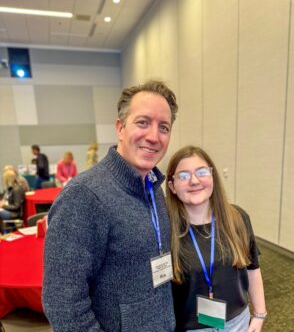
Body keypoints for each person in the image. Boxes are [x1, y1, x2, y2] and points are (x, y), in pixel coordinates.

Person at [42, 80, 179, 332]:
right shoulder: (84, 196)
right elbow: (63, 303)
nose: (153, 136)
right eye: (143, 122)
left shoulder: (153, 187)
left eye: (164, 127)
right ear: (120, 128)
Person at [165, 146, 267, 332]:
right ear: (172, 186)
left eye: (202, 172)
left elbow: (253, 269)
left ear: (213, 177)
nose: (194, 181)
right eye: (184, 176)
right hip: (190, 329)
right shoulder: (166, 231)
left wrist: (259, 314)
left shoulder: (237, 218)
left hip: (238, 323)